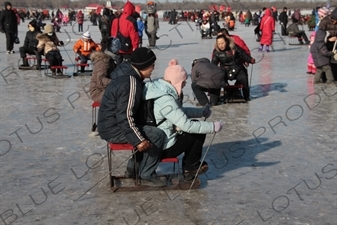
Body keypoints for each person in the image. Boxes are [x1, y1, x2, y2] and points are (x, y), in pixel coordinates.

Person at [143, 59, 223, 181]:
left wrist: (200, 112)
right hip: (163, 146)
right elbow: (187, 126)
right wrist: (212, 127)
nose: (185, 84)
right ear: (176, 81)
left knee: (196, 126)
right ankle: (191, 167)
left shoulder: (160, 91)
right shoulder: (166, 99)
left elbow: (178, 112)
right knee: (197, 131)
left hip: (157, 141)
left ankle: (191, 165)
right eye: (183, 82)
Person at [97, 47, 165, 187]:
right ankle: (146, 174)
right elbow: (125, 116)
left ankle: (132, 169)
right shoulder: (130, 82)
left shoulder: (128, 75)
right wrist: (138, 140)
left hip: (111, 125)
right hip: (114, 128)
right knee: (157, 135)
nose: (153, 68)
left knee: (148, 131)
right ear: (143, 66)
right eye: (152, 65)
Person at [212, 35, 255, 101]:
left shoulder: (234, 47)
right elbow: (213, 63)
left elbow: (243, 54)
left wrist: (250, 59)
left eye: (222, 43)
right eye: (219, 44)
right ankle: (216, 98)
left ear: (226, 42)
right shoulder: (216, 52)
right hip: (225, 71)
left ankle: (246, 97)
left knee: (244, 79)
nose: (221, 45)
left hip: (238, 69)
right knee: (218, 79)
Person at [89, 37, 121, 103]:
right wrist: (115, 82)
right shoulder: (103, 62)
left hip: (105, 89)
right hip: (98, 92)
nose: (118, 53)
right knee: (123, 95)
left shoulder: (110, 60)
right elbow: (101, 80)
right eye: (117, 51)